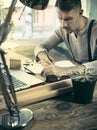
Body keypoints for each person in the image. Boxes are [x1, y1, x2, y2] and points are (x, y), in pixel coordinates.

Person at [34, 0, 97, 78]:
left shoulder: (95, 30)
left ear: (80, 13)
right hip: (78, 80)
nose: (63, 25)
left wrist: (66, 70)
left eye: (68, 19)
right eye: (60, 19)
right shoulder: (62, 30)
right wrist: (42, 56)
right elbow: (42, 45)